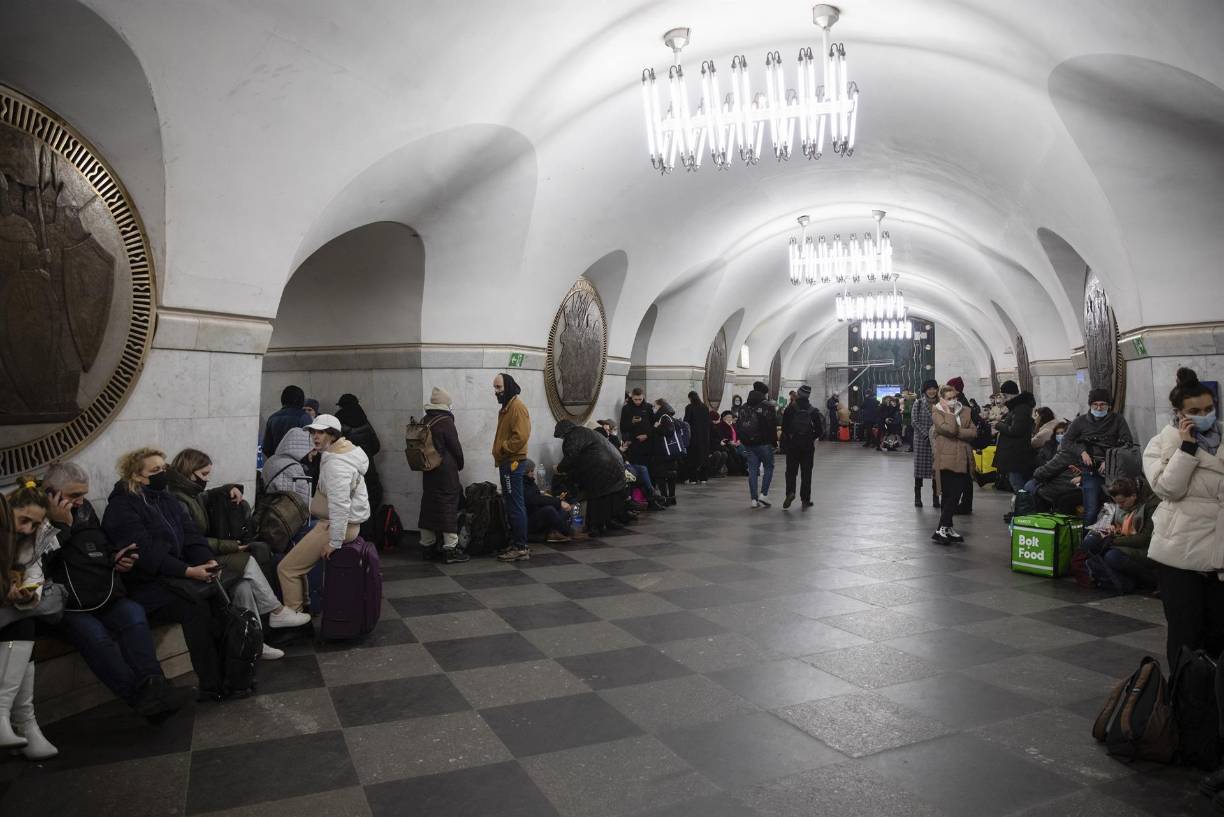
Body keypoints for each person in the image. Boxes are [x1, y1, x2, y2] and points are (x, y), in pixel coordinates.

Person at [41, 463, 193, 723]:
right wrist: (61, 526)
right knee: (95, 636)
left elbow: (96, 546)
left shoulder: (84, 509)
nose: (80, 501)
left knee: (133, 614)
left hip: (100, 590)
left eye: (83, 495)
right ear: (50, 492)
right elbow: (37, 564)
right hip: (65, 603)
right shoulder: (34, 515)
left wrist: (116, 558)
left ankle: (155, 688)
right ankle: (142, 699)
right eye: (73, 496)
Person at [101, 448, 231, 701]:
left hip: (174, 577)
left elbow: (191, 535)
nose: (163, 474)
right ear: (137, 477)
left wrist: (207, 560)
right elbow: (146, 553)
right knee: (194, 605)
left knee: (218, 596)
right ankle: (212, 683)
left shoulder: (166, 499)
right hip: (144, 584)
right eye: (155, 470)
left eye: (164, 468)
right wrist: (188, 570)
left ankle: (231, 672)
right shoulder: (122, 506)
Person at [167, 449, 299, 658]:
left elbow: (206, 496)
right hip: (193, 560)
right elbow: (190, 539)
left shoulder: (188, 492)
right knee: (246, 561)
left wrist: (231, 488)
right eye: (203, 474)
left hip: (203, 552)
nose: (206, 479)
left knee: (243, 586)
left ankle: (255, 642)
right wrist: (230, 546)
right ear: (189, 471)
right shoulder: (177, 499)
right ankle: (276, 610)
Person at [1143, 367, 1224, 668]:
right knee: (1186, 635)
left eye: (1209, 408)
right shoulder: (1162, 443)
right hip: (1180, 553)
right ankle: (1184, 703)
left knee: (1219, 635)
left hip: (1219, 551)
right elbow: (1167, 489)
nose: (1204, 415)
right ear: (1179, 413)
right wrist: (1186, 448)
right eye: (1195, 411)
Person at [277, 414, 371, 609]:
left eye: (320, 432)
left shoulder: (337, 464)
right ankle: (302, 612)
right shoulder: (340, 454)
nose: (315, 437)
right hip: (334, 524)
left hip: (337, 527)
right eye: (313, 432)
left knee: (287, 569)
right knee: (295, 568)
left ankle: (295, 618)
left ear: (333, 435)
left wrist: (334, 542)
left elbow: (340, 505)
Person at [0, 481, 59, 759]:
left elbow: (34, 573)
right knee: (21, 624)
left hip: (7, 615)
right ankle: (22, 721)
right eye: (24, 520)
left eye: (34, 525)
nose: (27, 529)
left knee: (23, 622)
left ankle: (18, 719)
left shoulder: (30, 539)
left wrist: (28, 593)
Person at [1062, 387, 1134, 524]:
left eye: (1102, 404)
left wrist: (1110, 459)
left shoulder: (1118, 420)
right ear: (1090, 405)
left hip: (1114, 471)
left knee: (1117, 508)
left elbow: (1127, 443)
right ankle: (1086, 542)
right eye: (1095, 404)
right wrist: (1082, 452)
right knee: (1091, 510)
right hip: (1090, 471)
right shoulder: (1080, 421)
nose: (1099, 408)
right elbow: (1066, 441)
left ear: (1108, 405)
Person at [1079, 476, 1160, 594]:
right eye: (1116, 502)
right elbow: (1110, 519)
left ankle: (1150, 579)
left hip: (1144, 548)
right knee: (1090, 544)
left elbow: (1144, 539)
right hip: (1122, 540)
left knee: (1112, 556)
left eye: (1122, 502)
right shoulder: (1121, 501)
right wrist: (1109, 528)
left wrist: (1111, 541)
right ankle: (1124, 581)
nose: (1120, 506)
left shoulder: (1151, 505)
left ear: (1133, 496)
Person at [417, 387, 468, 564]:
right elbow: (456, 448)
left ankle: (427, 547)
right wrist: (460, 464)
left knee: (429, 506)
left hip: (429, 470)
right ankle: (450, 550)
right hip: (446, 472)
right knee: (448, 506)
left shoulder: (425, 419)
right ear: (446, 403)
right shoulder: (446, 421)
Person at [554, 420, 628, 537]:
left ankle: (594, 527)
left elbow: (570, 457)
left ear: (563, 432)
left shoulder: (573, 436)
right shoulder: (584, 432)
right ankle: (607, 522)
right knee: (607, 495)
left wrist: (559, 468)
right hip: (615, 464)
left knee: (595, 496)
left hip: (600, 468)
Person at [493, 373, 532, 562]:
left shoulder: (517, 407)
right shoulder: (508, 407)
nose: (496, 392)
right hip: (507, 462)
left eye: (499, 388)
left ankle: (520, 547)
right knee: (512, 503)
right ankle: (517, 542)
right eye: (495, 388)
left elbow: (521, 436)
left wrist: (504, 448)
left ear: (507, 386)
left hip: (512, 462)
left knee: (515, 504)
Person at [930, 385, 976, 544]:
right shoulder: (937, 412)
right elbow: (948, 430)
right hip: (946, 458)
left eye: (954, 397)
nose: (952, 401)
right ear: (942, 399)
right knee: (952, 495)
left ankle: (945, 528)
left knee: (953, 495)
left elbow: (973, 432)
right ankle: (942, 528)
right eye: (948, 398)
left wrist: (958, 432)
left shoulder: (966, 411)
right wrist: (949, 414)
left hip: (963, 458)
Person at [335, 393, 384, 511]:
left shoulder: (338, 420)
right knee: (369, 504)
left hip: (348, 472)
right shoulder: (364, 419)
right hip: (368, 469)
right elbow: (376, 445)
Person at [737, 381, 778, 508]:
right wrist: (774, 443)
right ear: (764, 393)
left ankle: (753, 500)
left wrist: (743, 440)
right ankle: (763, 495)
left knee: (753, 471)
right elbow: (772, 426)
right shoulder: (768, 406)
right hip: (764, 443)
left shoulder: (744, 406)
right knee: (769, 468)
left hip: (749, 444)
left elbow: (739, 425)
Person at [993, 380, 1036, 497]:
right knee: (1015, 482)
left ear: (1008, 394)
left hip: (1016, 453)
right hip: (1014, 452)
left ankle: (1025, 507)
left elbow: (1016, 430)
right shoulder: (1017, 407)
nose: (1002, 399)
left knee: (1018, 484)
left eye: (1003, 396)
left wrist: (998, 424)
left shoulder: (1021, 408)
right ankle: (1021, 507)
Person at [1028, 420, 1083, 513]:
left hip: (1067, 485)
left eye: (1063, 433)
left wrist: (1038, 473)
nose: (1060, 436)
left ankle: (1040, 521)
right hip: (1068, 482)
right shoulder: (1052, 445)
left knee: (1037, 490)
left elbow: (1046, 470)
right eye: (1058, 433)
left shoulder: (1068, 451)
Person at [781, 384, 820, 510]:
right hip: (807, 447)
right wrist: (810, 437)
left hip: (793, 446)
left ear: (798, 393)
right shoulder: (813, 410)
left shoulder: (790, 408)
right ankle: (805, 499)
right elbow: (819, 431)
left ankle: (790, 492)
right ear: (808, 395)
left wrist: (791, 437)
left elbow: (784, 427)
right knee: (806, 473)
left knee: (791, 472)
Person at [522, 459, 580, 542]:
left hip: (535, 512)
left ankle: (554, 532)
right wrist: (558, 502)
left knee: (561, 509)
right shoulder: (523, 484)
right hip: (529, 519)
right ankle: (569, 532)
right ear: (525, 472)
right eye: (531, 471)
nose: (533, 473)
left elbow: (537, 497)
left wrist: (557, 502)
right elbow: (535, 499)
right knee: (549, 510)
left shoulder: (530, 482)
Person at [620, 388, 660, 500]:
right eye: (635, 399)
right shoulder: (626, 408)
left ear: (643, 397)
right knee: (636, 471)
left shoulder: (648, 407)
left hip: (648, 444)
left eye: (640, 399)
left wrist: (647, 435)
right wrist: (632, 423)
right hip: (634, 445)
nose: (638, 401)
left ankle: (651, 496)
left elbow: (654, 425)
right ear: (632, 397)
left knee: (649, 469)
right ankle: (638, 496)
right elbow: (623, 427)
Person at [262, 426, 313, 506]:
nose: (314, 453)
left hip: (269, 508)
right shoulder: (292, 467)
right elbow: (304, 500)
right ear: (304, 448)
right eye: (312, 449)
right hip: (282, 514)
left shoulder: (273, 459)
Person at [946, 377, 975, 514]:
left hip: (962, 445)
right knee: (964, 477)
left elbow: (965, 426)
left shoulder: (962, 404)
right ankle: (964, 504)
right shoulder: (960, 401)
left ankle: (965, 505)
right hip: (960, 444)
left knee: (963, 477)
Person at [652, 399, 686, 506]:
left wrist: (657, 427)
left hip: (664, 453)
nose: (653, 408)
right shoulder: (670, 416)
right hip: (671, 452)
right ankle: (671, 497)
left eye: (655, 406)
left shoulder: (664, 418)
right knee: (671, 474)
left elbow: (669, 431)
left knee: (661, 475)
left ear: (660, 406)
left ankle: (665, 498)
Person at [912, 380, 940, 508]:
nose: (932, 391)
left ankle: (936, 497)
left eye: (934, 388)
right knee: (919, 471)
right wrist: (926, 434)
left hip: (937, 440)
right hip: (921, 441)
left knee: (936, 470)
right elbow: (914, 422)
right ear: (925, 390)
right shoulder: (918, 403)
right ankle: (917, 497)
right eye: (929, 388)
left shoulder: (941, 404)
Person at [262, 385, 311, 456]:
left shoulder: (272, 418)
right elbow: (310, 445)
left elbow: (267, 448)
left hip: (277, 461)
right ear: (301, 400)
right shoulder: (304, 417)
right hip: (298, 463)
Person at [683, 391, 712, 484]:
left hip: (693, 436)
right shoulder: (704, 407)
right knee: (703, 457)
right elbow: (708, 422)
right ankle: (703, 478)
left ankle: (693, 479)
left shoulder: (689, 407)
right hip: (704, 436)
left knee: (692, 458)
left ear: (690, 398)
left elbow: (686, 422)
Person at [716, 410, 746, 476]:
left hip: (735, 443)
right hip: (728, 444)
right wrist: (730, 441)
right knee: (734, 451)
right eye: (728, 417)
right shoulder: (721, 425)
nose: (730, 419)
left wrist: (738, 440)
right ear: (724, 418)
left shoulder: (733, 425)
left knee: (744, 450)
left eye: (731, 417)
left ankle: (745, 468)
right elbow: (721, 436)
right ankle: (738, 470)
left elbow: (737, 434)